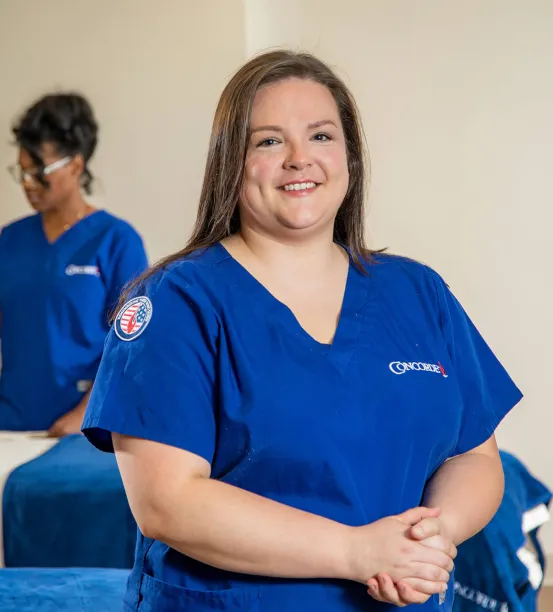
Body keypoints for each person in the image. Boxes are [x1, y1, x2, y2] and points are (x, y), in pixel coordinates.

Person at [82, 50, 523, 611]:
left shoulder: (417, 291)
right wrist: (357, 552)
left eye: (320, 136)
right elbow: (167, 502)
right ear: (230, 164)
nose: (299, 159)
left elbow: (477, 458)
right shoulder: (176, 301)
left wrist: (432, 537)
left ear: (350, 159)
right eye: (268, 141)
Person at [0, 93, 148, 435]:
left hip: (82, 431)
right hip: (11, 424)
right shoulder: (9, 241)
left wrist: (84, 414)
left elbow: (131, 345)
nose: (27, 183)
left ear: (76, 165)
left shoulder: (116, 241)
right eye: (21, 172)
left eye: (39, 172)